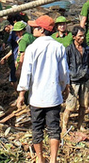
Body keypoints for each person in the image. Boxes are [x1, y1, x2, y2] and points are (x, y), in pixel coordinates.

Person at [17, 15, 69, 163]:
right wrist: (64, 87)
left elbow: (26, 72)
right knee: (54, 129)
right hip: (53, 96)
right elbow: (64, 72)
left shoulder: (32, 48)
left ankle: (40, 159)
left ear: (41, 30)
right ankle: (53, 159)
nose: (33, 29)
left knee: (37, 129)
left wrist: (21, 94)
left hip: (36, 98)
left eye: (35, 27)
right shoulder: (58, 47)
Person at [61, 26, 89, 132]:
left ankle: (80, 125)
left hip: (84, 80)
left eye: (83, 36)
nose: (82, 38)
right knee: (70, 106)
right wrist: (66, 82)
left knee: (84, 105)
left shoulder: (86, 48)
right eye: (80, 36)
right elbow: (65, 67)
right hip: (73, 81)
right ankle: (64, 127)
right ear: (74, 37)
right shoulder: (69, 50)